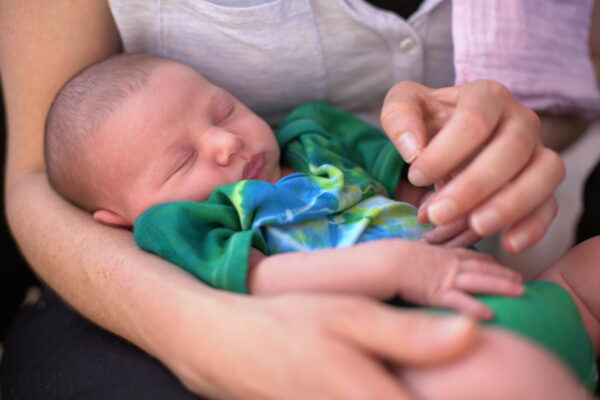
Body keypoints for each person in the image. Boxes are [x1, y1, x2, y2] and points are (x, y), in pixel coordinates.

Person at [1, 1, 597, 399]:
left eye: (222, 109)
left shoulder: (314, 139)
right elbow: (261, 282)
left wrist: (452, 167)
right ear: (121, 218)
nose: (225, 142)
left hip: (523, 287)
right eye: (182, 160)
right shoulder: (198, 225)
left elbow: (409, 177)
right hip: (420, 340)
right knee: (512, 381)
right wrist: (396, 265)